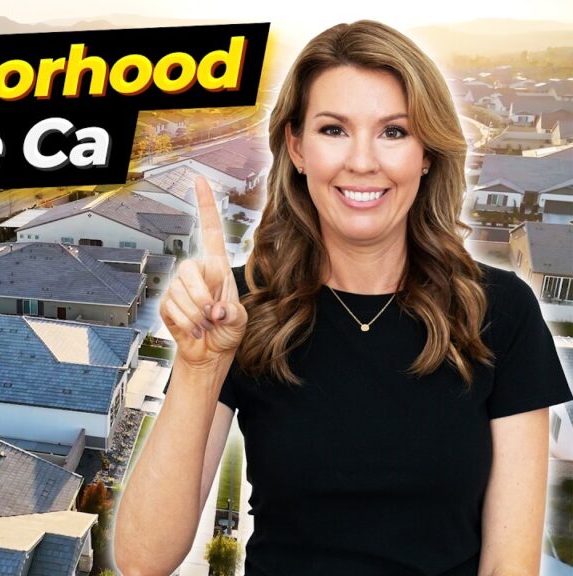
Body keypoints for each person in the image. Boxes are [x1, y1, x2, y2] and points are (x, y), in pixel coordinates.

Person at [113, 20, 572, 576]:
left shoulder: (501, 311)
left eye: (394, 132)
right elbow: (142, 559)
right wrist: (198, 367)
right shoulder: (238, 307)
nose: (362, 161)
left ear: (426, 153)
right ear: (297, 147)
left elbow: (509, 566)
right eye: (333, 129)